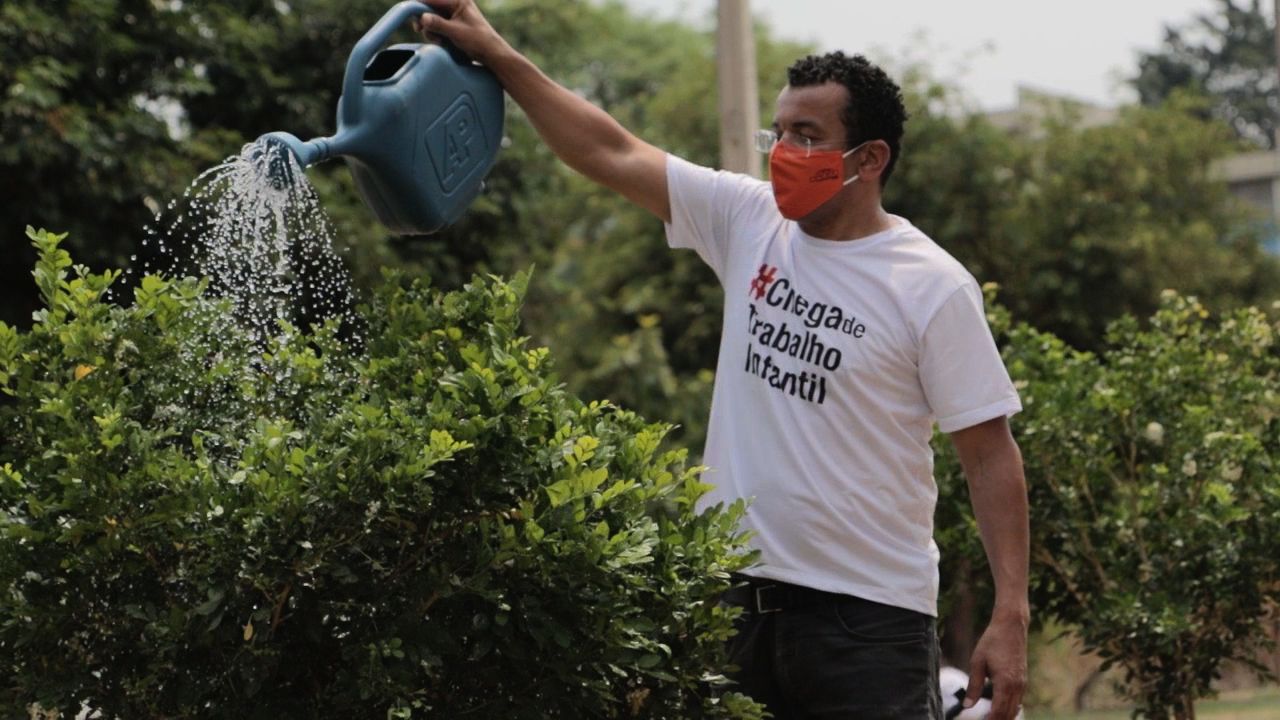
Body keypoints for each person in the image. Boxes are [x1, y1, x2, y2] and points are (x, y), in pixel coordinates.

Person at [413, 2, 1030, 718]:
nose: (783, 152)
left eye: (808, 136)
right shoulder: (749, 220)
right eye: (780, 132)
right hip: (732, 603)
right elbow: (607, 150)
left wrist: (1010, 614)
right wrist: (498, 54)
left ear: (870, 159)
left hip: (868, 622)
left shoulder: (930, 285)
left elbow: (989, 455)